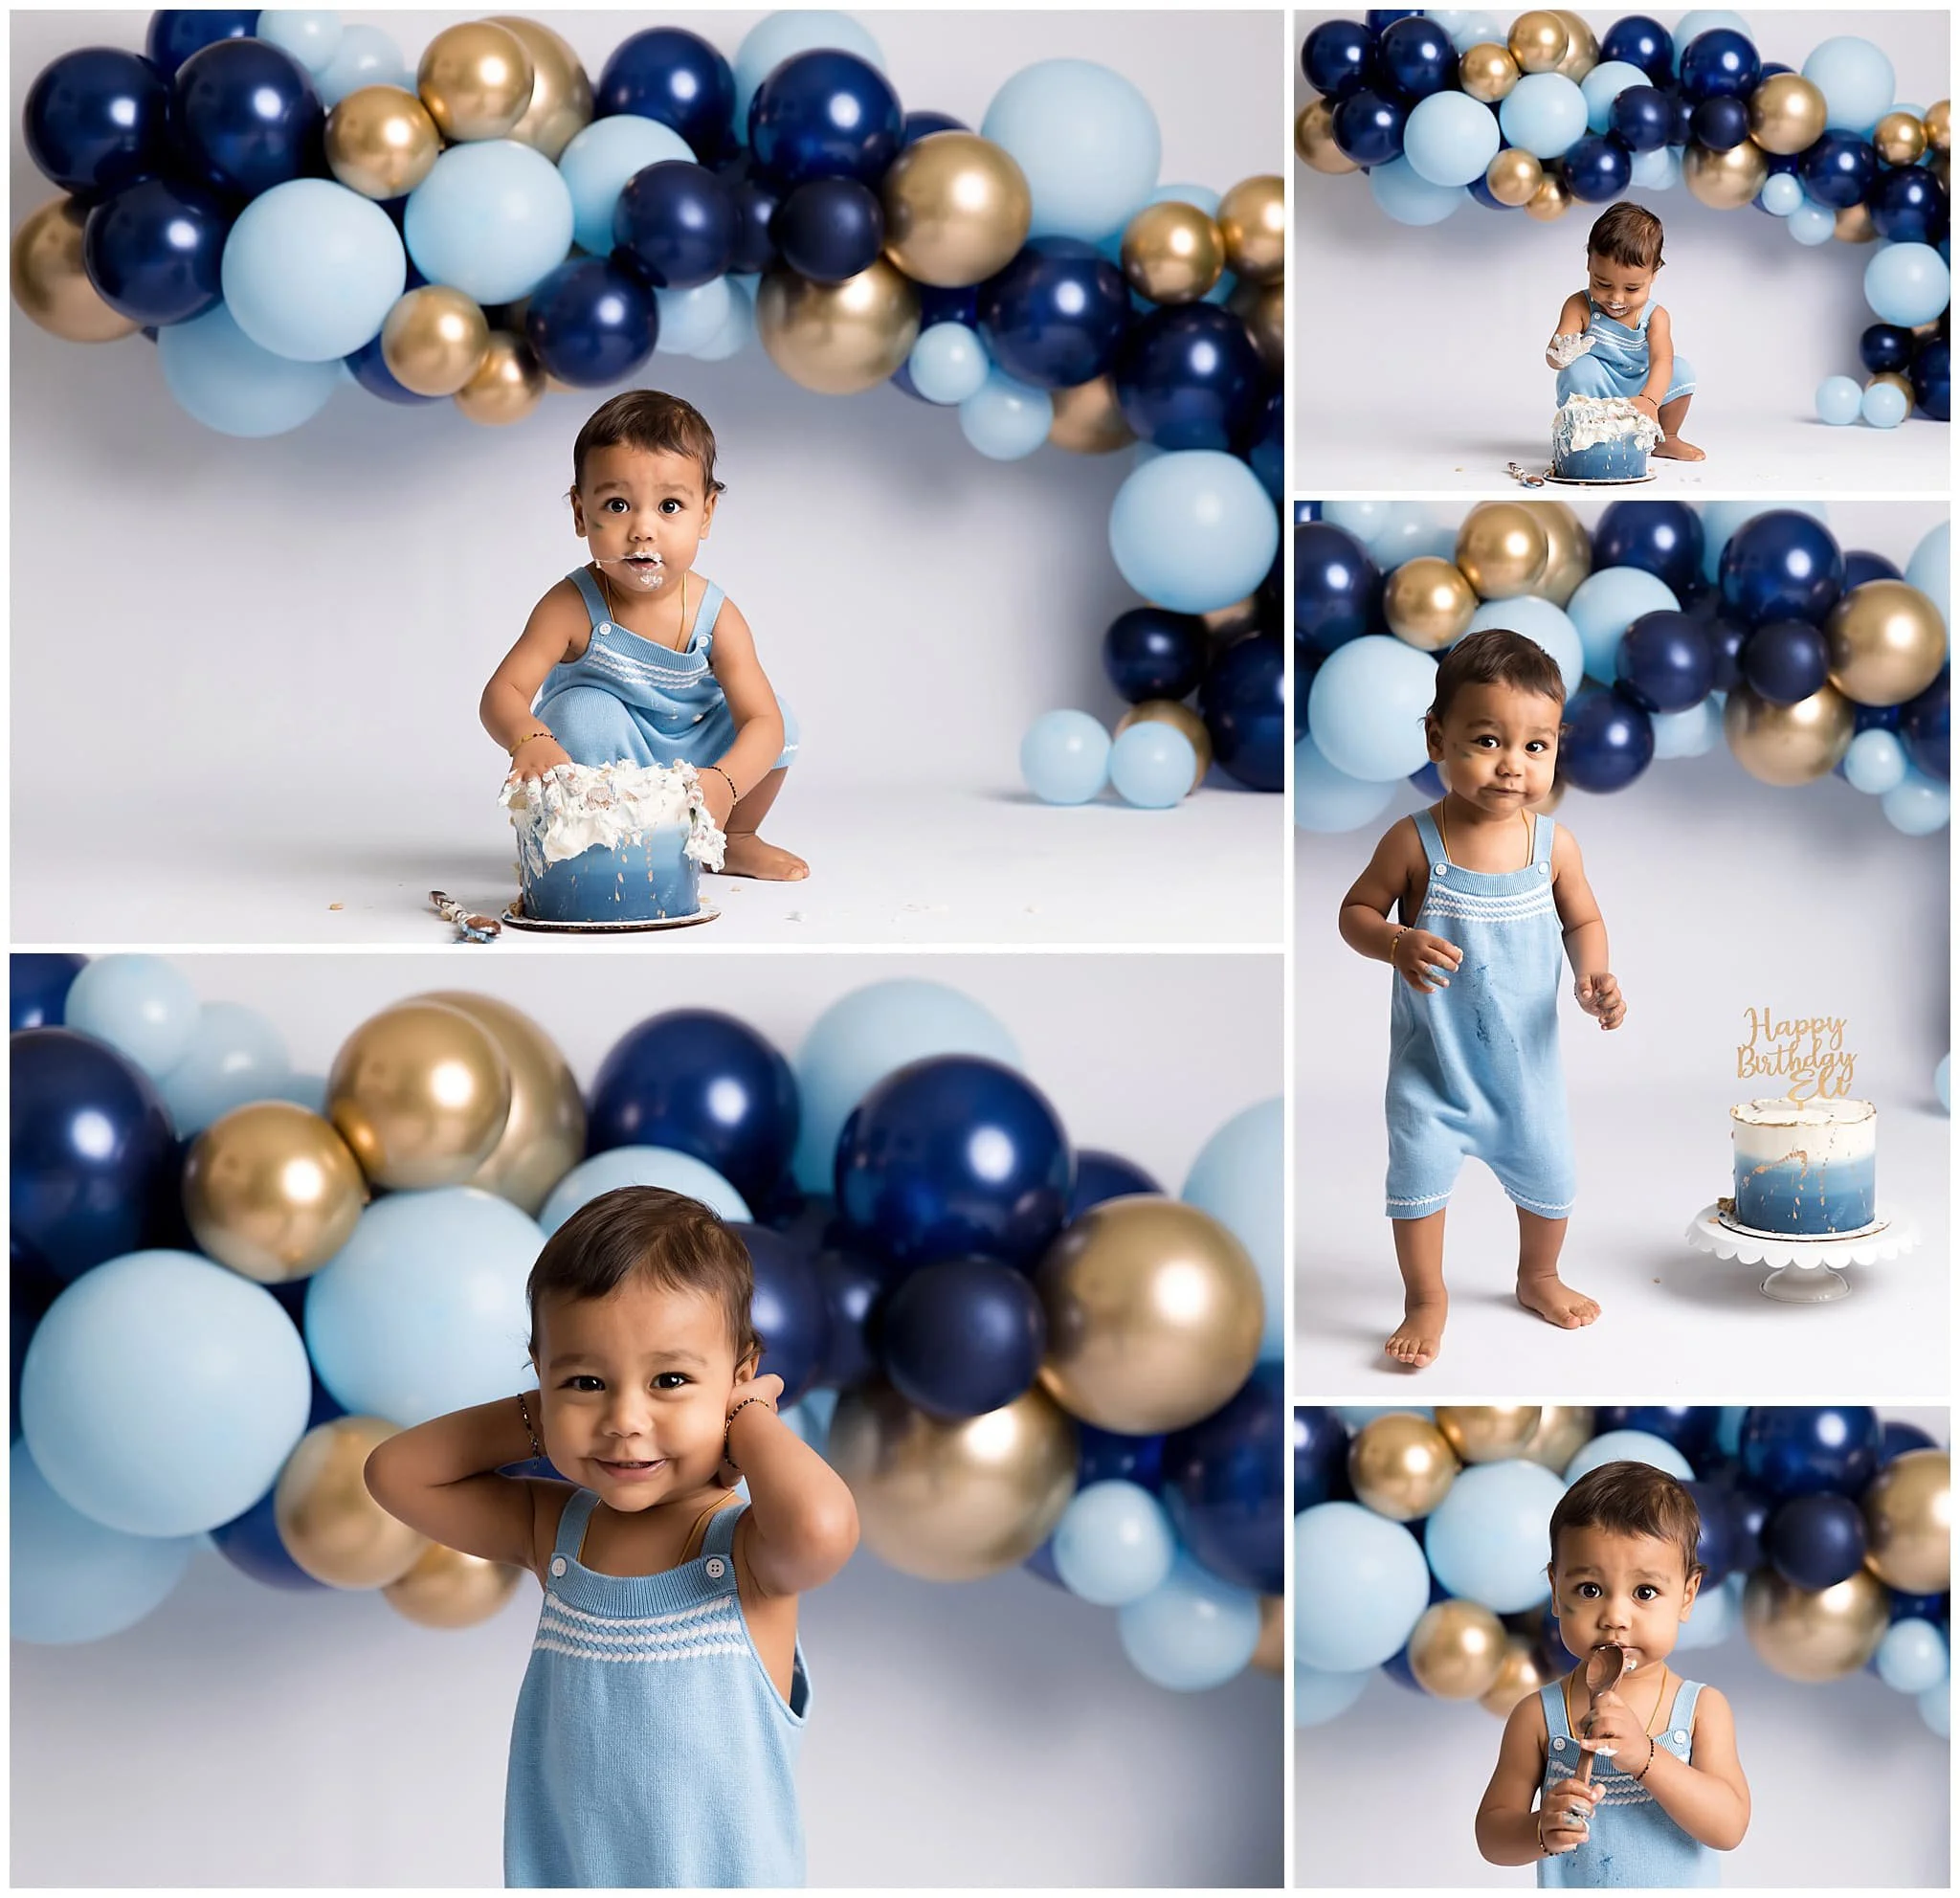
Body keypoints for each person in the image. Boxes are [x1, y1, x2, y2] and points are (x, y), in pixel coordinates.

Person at [365, 1187, 858, 1887]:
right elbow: (396, 1473)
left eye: (671, 1379)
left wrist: (746, 1417)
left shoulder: (744, 1553)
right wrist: (548, 1410)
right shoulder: (555, 1532)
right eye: (590, 1380)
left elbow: (823, 1527)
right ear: (541, 1374)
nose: (626, 1418)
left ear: (739, 1374)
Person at [1337, 629, 1626, 1370]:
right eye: (1489, 739)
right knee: (1418, 1179)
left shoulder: (1552, 847)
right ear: (1438, 738)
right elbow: (1356, 913)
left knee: (1552, 1175)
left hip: (1521, 1071)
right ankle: (1426, 1296)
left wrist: (1594, 976)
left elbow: (1582, 919)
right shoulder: (1413, 842)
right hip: (1433, 1066)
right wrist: (1396, 942)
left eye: (1536, 747)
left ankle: (1538, 1274)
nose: (1512, 765)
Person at [479, 389, 809, 881]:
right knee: (583, 713)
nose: (642, 529)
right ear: (579, 513)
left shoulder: (715, 616)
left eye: (670, 505)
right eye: (617, 504)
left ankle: (729, 837)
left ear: (707, 513)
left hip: (694, 768)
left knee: (777, 716)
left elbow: (761, 719)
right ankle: (596, 843)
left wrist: (723, 782)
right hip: (605, 761)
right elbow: (501, 692)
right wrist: (531, 738)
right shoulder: (571, 606)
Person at [1475, 1461, 1751, 1884]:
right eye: (1589, 1590)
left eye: (1645, 1592)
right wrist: (1539, 1831)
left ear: (1687, 1595)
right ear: (1555, 1590)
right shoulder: (1539, 1717)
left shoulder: (1700, 1711)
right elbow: (1492, 1835)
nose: (1615, 1616)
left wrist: (1645, 1756)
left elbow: (1728, 1827)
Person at [1546, 202, 1704, 462]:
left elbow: (1661, 360)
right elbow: (1556, 353)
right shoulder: (1580, 306)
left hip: (1641, 387)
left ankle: (1664, 438)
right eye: (1603, 283)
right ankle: (1591, 438)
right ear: (1589, 264)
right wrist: (1560, 353)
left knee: (1680, 369)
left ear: (1654, 274)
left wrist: (1650, 400)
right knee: (1579, 368)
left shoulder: (1655, 316)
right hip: (1598, 389)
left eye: (1632, 289)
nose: (1616, 298)